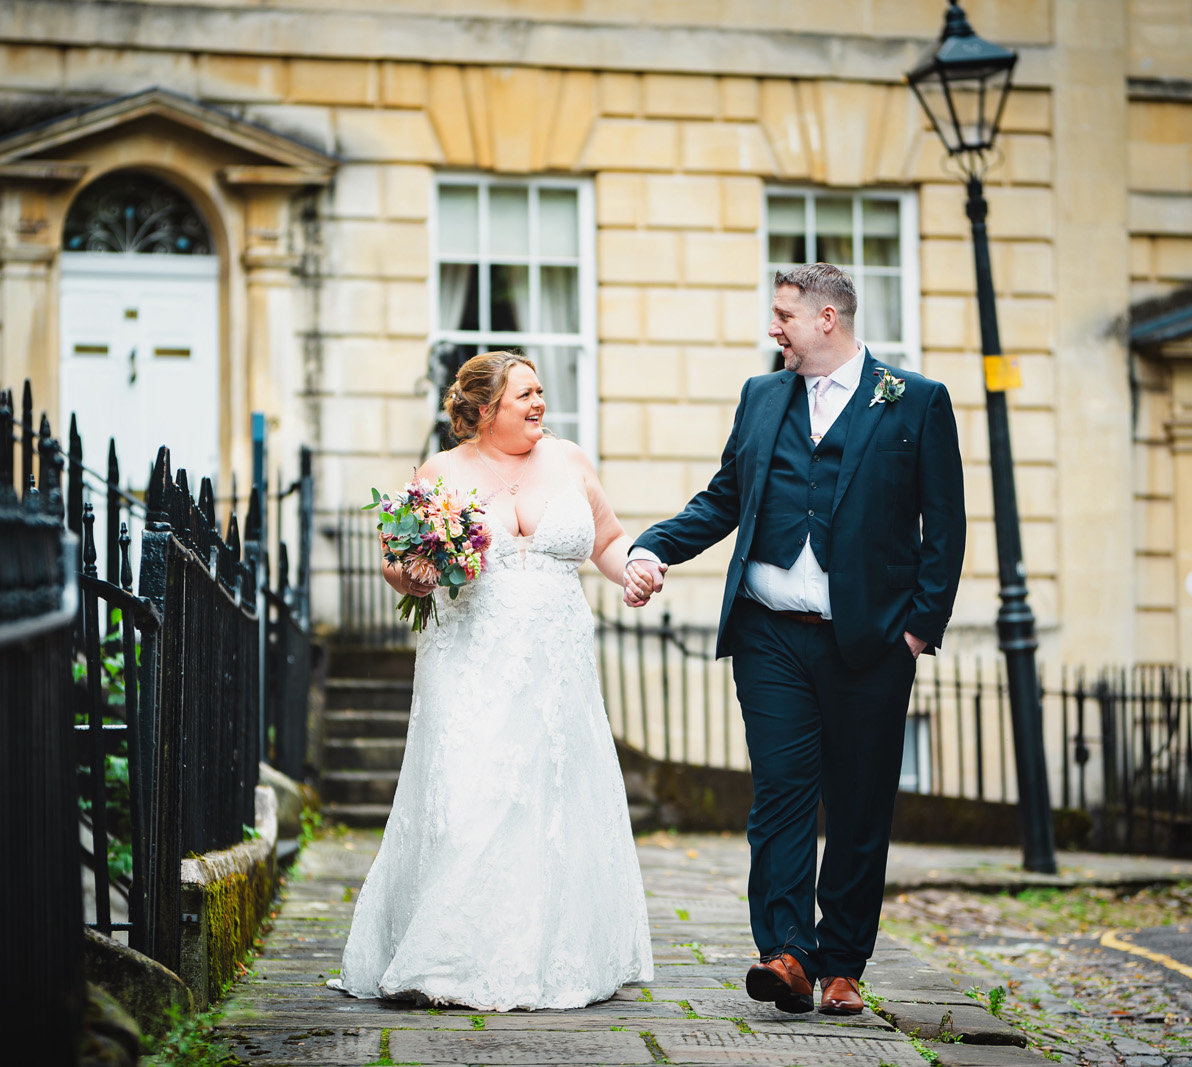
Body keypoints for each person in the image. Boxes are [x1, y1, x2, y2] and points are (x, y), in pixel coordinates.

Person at [623, 263, 966, 1016]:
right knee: (779, 794)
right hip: (769, 634)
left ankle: (842, 958)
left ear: (827, 320)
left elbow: (944, 528)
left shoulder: (915, 402)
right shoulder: (761, 395)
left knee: (858, 802)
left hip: (871, 643)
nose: (772, 327)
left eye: (783, 314)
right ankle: (786, 954)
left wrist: (916, 632)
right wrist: (653, 548)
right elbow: (724, 498)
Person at [332, 351, 653, 1012]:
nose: (540, 403)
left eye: (540, 391)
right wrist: (411, 574)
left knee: (543, 805)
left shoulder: (568, 460)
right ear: (484, 409)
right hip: (468, 660)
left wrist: (635, 571)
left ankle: (538, 955)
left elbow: (608, 539)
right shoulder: (440, 473)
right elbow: (397, 559)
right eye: (525, 395)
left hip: (554, 667)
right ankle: (443, 955)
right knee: (469, 797)